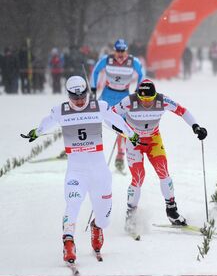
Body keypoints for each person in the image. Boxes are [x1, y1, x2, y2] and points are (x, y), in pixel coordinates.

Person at [21, 76, 140, 264]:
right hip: (76, 171)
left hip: (99, 172)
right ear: (68, 95)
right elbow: (47, 121)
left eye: (82, 96)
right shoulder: (60, 110)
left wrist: (131, 135)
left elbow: (116, 120)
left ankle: (96, 226)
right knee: (73, 204)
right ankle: (68, 241)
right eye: (75, 97)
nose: (79, 100)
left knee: (104, 219)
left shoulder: (99, 107)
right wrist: (36, 132)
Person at [111, 79, 208, 231]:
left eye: (150, 99)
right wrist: (124, 131)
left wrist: (196, 127)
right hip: (133, 141)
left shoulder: (162, 100)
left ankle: (172, 211)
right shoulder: (129, 101)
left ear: (155, 95)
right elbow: (110, 115)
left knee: (163, 172)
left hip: (153, 140)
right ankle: (130, 215)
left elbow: (182, 111)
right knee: (138, 177)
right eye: (144, 100)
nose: (147, 103)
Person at [90, 38, 145, 172]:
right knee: (93, 118)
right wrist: (93, 87)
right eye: (118, 50)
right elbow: (95, 71)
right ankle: (83, 148)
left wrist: (139, 89)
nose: (120, 53)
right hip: (107, 95)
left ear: (126, 50)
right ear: (114, 50)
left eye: (123, 50)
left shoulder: (133, 61)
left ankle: (120, 157)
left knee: (122, 126)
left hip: (123, 95)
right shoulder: (107, 59)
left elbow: (142, 74)